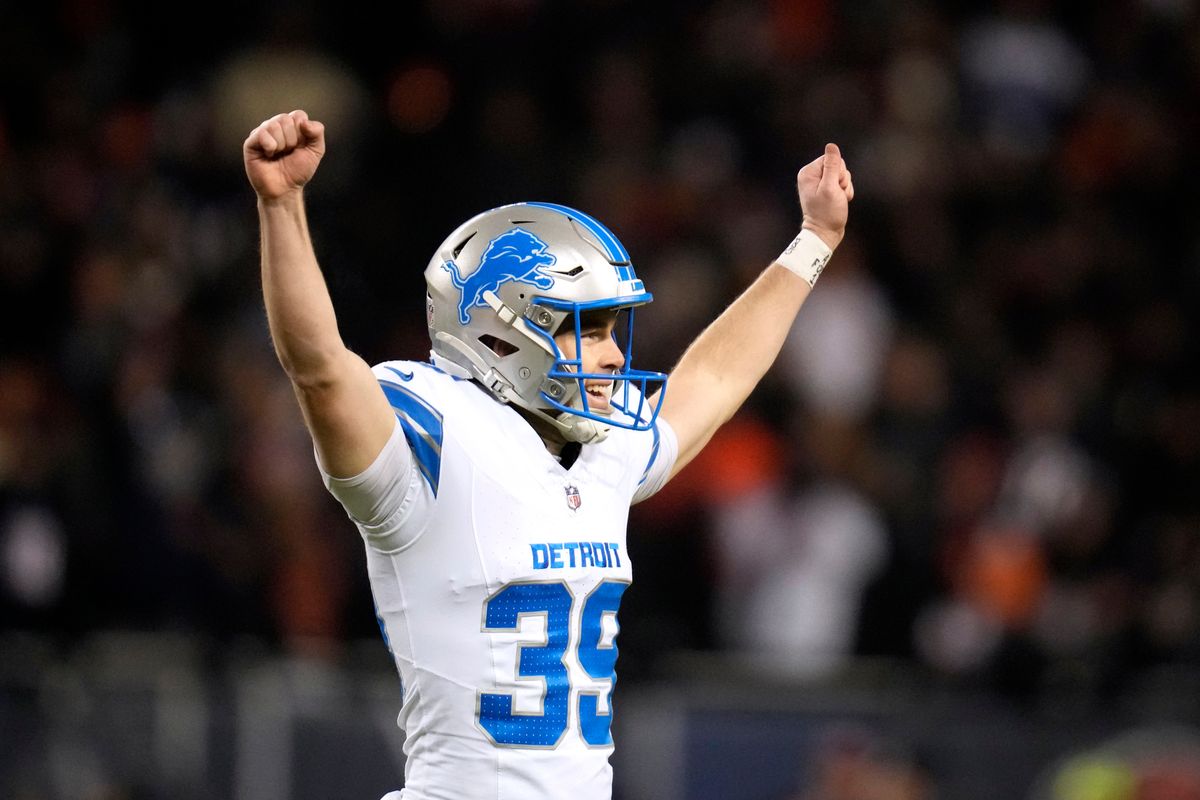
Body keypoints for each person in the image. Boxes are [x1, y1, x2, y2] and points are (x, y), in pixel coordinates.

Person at [243, 108, 854, 800]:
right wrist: (281, 205)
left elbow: (712, 379)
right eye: (587, 330)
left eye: (612, 330)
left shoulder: (604, 444)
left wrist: (813, 241)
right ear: (502, 332)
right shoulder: (431, 437)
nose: (614, 356)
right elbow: (321, 369)